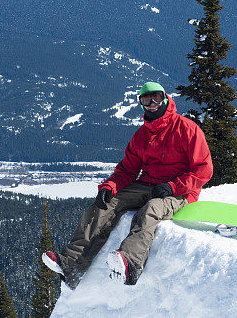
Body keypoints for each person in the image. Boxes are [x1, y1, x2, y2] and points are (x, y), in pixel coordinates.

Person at [41, 82, 213, 287]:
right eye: (146, 100)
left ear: (165, 98)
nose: (152, 104)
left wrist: (173, 187)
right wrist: (109, 187)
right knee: (105, 205)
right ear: (141, 104)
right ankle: (72, 264)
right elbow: (127, 169)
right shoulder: (142, 136)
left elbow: (204, 170)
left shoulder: (187, 129)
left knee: (150, 210)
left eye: (156, 98)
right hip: (148, 185)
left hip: (180, 192)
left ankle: (130, 264)